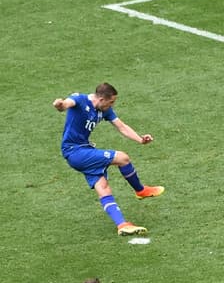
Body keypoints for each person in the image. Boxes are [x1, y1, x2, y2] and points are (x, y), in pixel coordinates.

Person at [54, 82, 164, 237]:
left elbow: (122, 126)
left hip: (83, 150)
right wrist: (60, 104)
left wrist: (140, 139)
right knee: (122, 157)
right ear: (101, 99)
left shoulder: (104, 109)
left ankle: (122, 225)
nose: (112, 105)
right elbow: (66, 104)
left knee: (103, 187)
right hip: (75, 151)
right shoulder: (79, 100)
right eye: (111, 102)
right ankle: (141, 190)